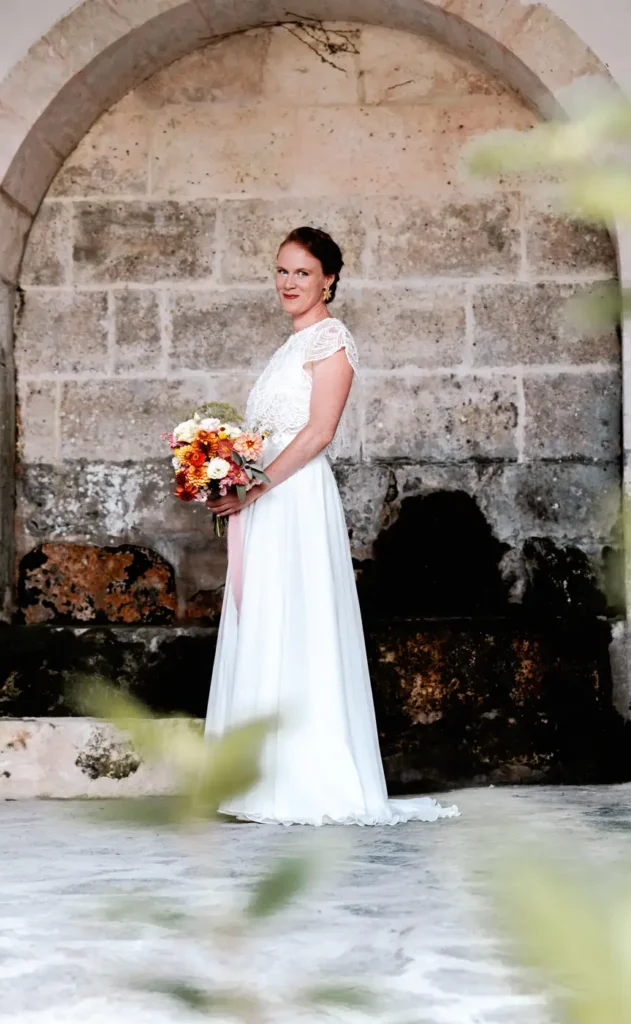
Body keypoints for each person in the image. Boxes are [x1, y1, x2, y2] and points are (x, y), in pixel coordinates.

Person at [205, 226, 459, 826]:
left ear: (329, 279)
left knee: (299, 620)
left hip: (294, 499)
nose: (289, 283)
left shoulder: (330, 341)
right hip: (265, 499)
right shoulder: (286, 349)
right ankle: (255, 776)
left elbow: (320, 432)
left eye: (302, 272)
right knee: (266, 616)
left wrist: (259, 484)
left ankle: (301, 778)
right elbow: (265, 434)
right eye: (282, 271)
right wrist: (228, 473)